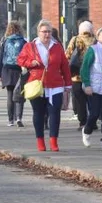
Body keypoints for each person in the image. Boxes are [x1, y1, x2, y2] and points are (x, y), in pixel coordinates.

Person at [17, 19, 73, 152]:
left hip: (55, 85)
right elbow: (20, 59)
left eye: (49, 32)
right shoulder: (30, 46)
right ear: (38, 32)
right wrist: (31, 62)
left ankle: (54, 141)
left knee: (54, 113)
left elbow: (64, 66)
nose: (47, 34)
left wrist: (68, 84)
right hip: (37, 84)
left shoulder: (57, 46)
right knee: (39, 113)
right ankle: (40, 141)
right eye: (44, 32)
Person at [0, 22, 27, 127]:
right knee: (20, 94)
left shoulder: (5, 41)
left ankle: (10, 120)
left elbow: (1, 57)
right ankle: (19, 117)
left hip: (7, 69)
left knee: (10, 95)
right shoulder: (23, 41)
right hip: (20, 69)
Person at [66, 21, 95, 128]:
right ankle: (93, 122)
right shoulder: (95, 41)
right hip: (91, 76)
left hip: (76, 75)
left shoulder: (75, 39)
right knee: (92, 100)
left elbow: (68, 54)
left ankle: (83, 122)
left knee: (80, 101)